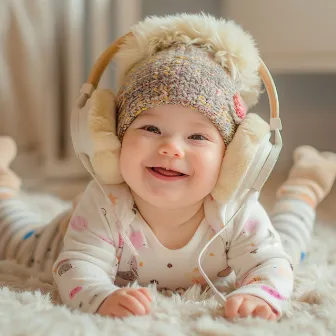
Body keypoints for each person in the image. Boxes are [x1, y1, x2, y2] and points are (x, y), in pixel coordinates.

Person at [1, 14, 336, 321]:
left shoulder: (234, 210)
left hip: (236, 228)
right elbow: (77, 265)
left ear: (233, 158)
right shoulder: (105, 203)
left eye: (196, 136)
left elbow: (270, 265)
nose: (171, 148)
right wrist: (100, 296)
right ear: (113, 141)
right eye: (150, 129)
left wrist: (260, 291)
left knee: (286, 251)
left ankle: (302, 189)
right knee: (21, 244)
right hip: (75, 232)